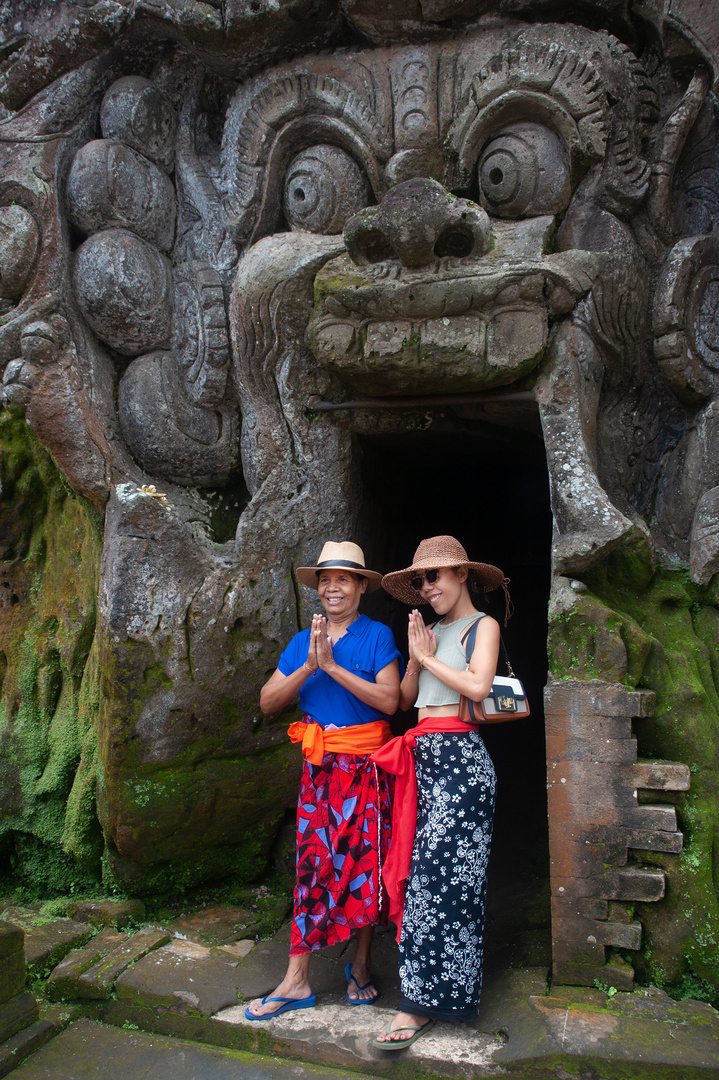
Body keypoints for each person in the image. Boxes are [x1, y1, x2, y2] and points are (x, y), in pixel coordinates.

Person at [245, 540, 402, 1020]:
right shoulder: (300, 643)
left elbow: (392, 701)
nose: (333, 587)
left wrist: (334, 667)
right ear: (319, 589)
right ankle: (296, 980)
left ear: (360, 587)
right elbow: (269, 701)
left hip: (367, 772)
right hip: (320, 773)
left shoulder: (377, 636)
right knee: (313, 867)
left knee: (365, 867)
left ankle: (359, 965)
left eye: (344, 579)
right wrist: (312, 665)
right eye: (326, 579)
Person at [371, 535, 509, 1048]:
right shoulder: (427, 633)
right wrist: (415, 657)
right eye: (420, 580)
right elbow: (406, 702)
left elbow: (477, 687)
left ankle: (422, 1005)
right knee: (418, 876)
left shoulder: (483, 626)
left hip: (461, 764)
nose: (428, 587)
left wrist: (428, 659)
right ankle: (429, 997)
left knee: (444, 881)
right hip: (424, 758)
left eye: (436, 576)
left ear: (462, 575)